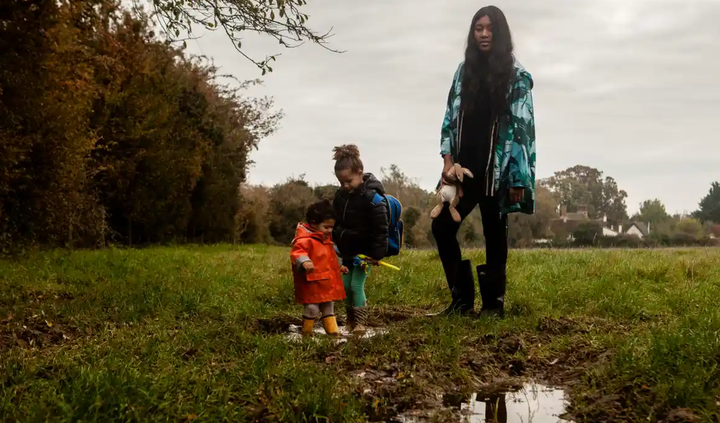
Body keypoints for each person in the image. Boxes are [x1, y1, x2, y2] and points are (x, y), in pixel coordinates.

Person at [430, 5, 536, 318]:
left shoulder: (517, 77)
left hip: (498, 172)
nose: (484, 34)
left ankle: (493, 307)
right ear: (472, 33)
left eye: (490, 28)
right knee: (441, 227)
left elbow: (522, 130)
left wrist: (518, 177)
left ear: (500, 33)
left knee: (494, 233)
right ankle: (461, 304)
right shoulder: (464, 72)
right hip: (464, 172)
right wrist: (447, 161)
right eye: (479, 28)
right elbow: (449, 117)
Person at [331, 144, 389, 335]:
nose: (345, 185)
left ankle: (361, 323)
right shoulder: (340, 196)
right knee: (346, 286)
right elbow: (335, 221)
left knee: (357, 285)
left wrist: (377, 253)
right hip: (346, 250)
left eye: (349, 181)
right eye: (341, 182)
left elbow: (381, 229)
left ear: (360, 173)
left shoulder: (373, 198)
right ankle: (350, 321)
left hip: (365, 253)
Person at [290, 200, 348, 337]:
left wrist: (340, 266)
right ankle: (306, 332)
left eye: (331, 227)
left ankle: (333, 333)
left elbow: (331, 257)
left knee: (329, 306)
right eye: (326, 227)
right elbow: (297, 253)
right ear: (313, 223)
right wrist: (305, 262)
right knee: (312, 308)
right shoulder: (304, 239)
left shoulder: (326, 239)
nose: (329, 230)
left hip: (327, 282)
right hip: (312, 283)